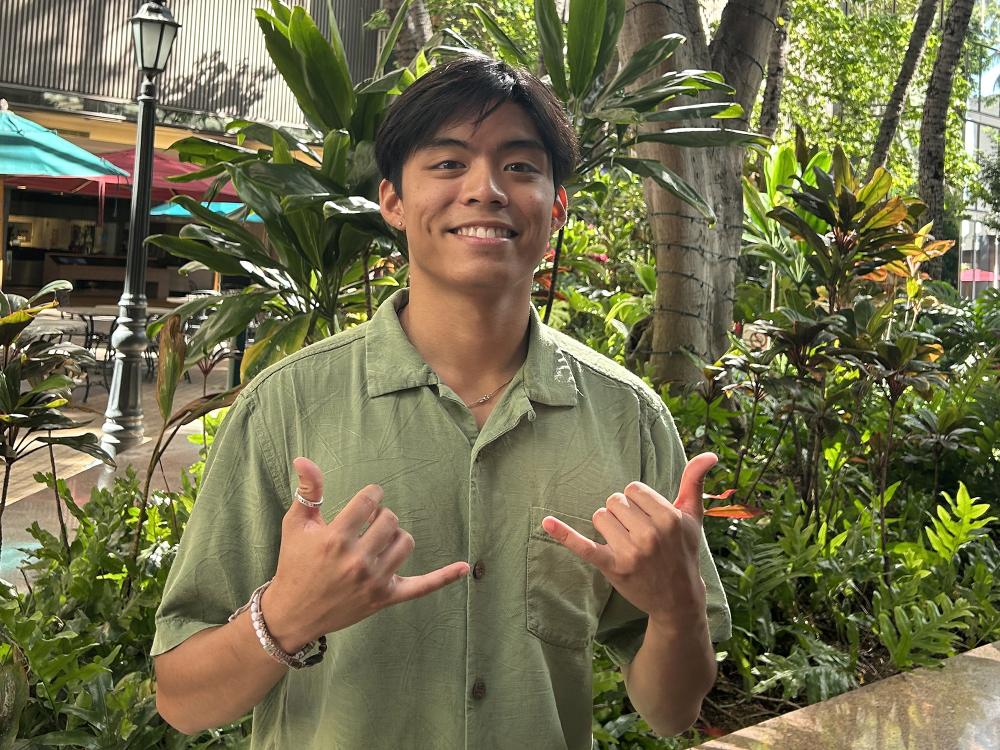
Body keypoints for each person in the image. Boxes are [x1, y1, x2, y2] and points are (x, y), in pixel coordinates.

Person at [152, 56, 731, 749]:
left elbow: (672, 712)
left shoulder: (627, 418)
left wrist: (678, 606)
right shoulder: (288, 408)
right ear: (393, 202)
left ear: (556, 206)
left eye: (519, 167)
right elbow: (181, 702)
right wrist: (286, 616)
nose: (485, 189)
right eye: (449, 165)